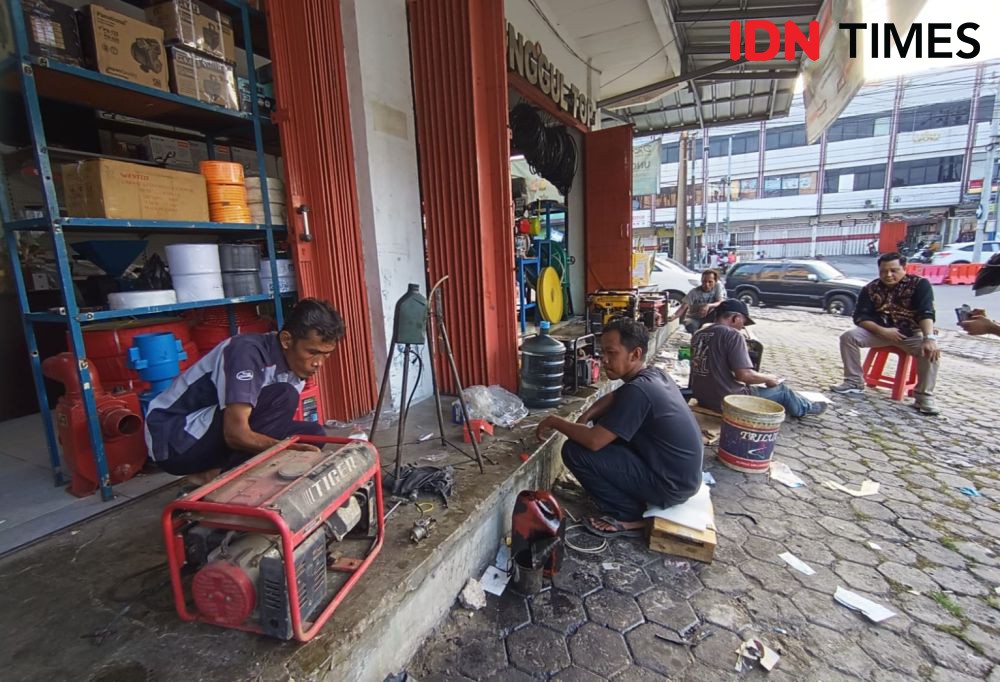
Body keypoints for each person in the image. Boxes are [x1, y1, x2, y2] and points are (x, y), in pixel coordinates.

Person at [536, 318, 703, 538]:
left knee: (575, 451)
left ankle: (627, 515)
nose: (604, 360)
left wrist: (556, 422)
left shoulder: (639, 392)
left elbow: (594, 441)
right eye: (602, 352)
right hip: (683, 478)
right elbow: (615, 397)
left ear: (635, 354)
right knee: (603, 423)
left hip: (670, 486)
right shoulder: (653, 374)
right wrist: (586, 415)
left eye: (611, 353)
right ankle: (631, 494)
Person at [144, 298, 346, 480]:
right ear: (286, 340)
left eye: (326, 355)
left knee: (313, 435)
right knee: (283, 396)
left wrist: (289, 448)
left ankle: (217, 471)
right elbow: (236, 433)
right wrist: (284, 449)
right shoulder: (246, 352)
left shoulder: (294, 366)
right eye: (312, 352)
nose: (318, 363)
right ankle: (223, 479)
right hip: (174, 440)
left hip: (213, 433)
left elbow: (266, 424)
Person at [830, 253, 940, 415]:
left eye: (893, 270)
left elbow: (926, 312)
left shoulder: (919, 284)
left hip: (911, 334)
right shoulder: (871, 288)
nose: (888, 275)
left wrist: (929, 338)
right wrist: (882, 331)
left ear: (904, 268)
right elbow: (860, 317)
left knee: (930, 351)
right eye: (883, 271)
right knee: (849, 337)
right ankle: (853, 382)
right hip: (880, 332)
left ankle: (923, 397)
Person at [690, 299, 825, 418]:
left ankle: (801, 401)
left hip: (703, 398)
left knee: (768, 387)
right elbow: (745, 375)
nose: (743, 326)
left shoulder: (698, 334)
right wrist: (768, 378)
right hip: (727, 401)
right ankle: (806, 408)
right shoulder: (732, 335)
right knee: (783, 390)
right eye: (743, 322)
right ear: (735, 318)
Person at [667, 269, 726, 334]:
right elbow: (682, 308)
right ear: (701, 281)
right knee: (692, 327)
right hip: (694, 318)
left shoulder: (717, 287)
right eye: (704, 281)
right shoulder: (694, 292)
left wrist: (708, 305)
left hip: (710, 317)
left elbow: (720, 302)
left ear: (715, 281)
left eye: (710, 282)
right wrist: (673, 316)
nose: (707, 284)